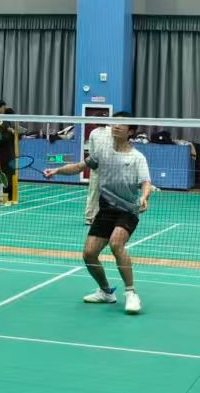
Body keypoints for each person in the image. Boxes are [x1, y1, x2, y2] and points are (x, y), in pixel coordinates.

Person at [44, 115, 152, 315]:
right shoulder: (102, 152)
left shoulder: (137, 157)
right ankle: (105, 292)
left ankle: (131, 293)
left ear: (130, 131)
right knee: (89, 254)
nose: (116, 126)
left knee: (116, 244)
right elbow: (79, 166)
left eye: (121, 124)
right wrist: (56, 170)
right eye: (114, 123)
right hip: (106, 209)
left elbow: (146, 182)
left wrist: (144, 197)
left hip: (128, 210)